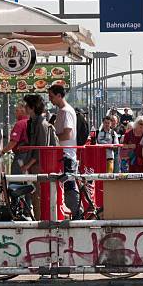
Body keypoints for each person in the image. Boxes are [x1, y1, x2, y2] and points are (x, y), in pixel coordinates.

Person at [48, 84, 81, 219]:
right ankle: (76, 213)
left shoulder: (65, 111)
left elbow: (67, 134)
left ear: (59, 95)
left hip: (66, 154)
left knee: (69, 187)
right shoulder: (64, 111)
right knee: (68, 186)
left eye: (51, 96)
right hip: (66, 154)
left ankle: (77, 215)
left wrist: (54, 137)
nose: (50, 99)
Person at [21, 95, 52, 175]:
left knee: (40, 187)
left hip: (40, 165)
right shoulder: (32, 122)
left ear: (33, 108)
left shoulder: (41, 124)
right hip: (34, 164)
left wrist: (27, 165)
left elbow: (41, 148)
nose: (25, 107)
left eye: (27, 105)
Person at [1, 101, 30, 174]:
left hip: (21, 155)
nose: (15, 113)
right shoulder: (31, 122)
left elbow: (14, 141)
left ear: (23, 111)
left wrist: (3, 151)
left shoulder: (20, 124)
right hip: (31, 156)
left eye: (17, 110)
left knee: (16, 178)